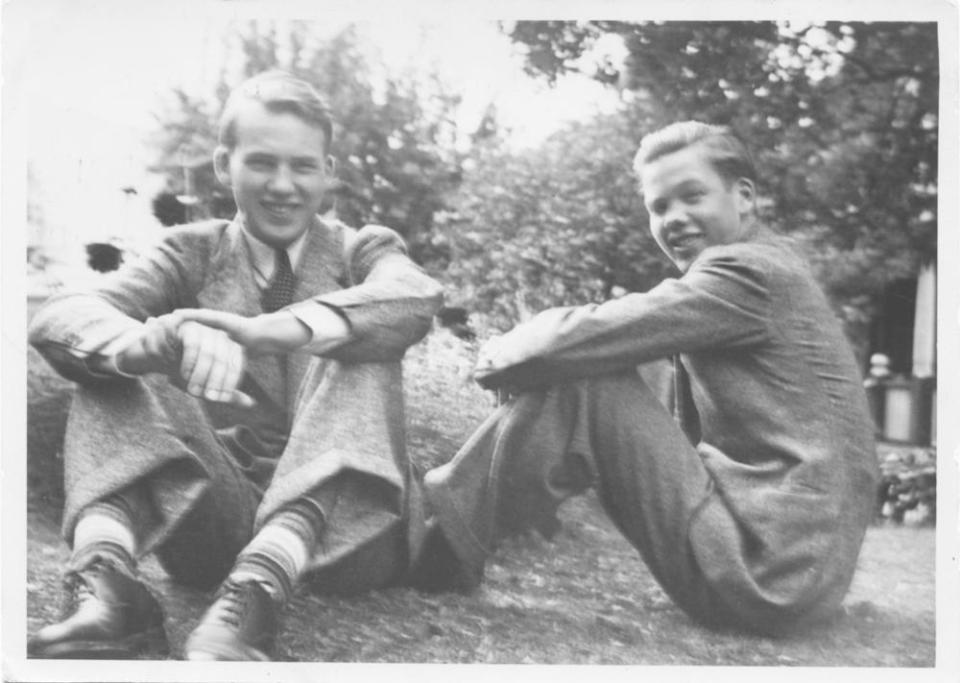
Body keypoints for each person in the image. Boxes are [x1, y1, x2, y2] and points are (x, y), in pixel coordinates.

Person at [27, 70, 449, 661]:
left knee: (363, 335)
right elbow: (65, 313)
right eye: (261, 163)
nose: (282, 185)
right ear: (225, 166)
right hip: (220, 523)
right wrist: (141, 347)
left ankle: (263, 583)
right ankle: (109, 586)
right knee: (114, 357)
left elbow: (415, 295)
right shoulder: (189, 251)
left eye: (303, 166)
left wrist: (286, 328)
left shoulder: (361, 250)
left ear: (328, 173)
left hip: (351, 530)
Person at [423, 121, 880, 635]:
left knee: (589, 375)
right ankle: (450, 534)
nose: (675, 219)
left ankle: (438, 543)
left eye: (692, 197)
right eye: (660, 208)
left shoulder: (746, 274)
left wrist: (499, 354)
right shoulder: (769, 268)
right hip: (795, 580)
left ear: (744, 197)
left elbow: (582, 337)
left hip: (767, 575)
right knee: (585, 364)